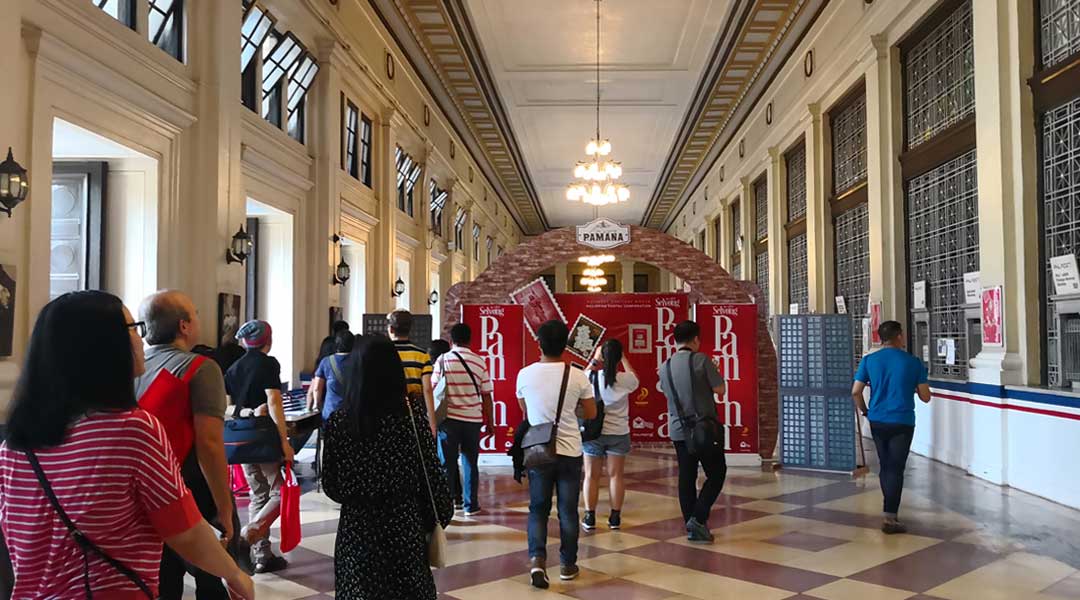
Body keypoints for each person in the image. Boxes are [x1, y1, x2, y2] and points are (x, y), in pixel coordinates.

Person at [0, 290, 254, 599]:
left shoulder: (15, 443)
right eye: (134, 329)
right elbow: (185, 530)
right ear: (105, 347)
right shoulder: (132, 430)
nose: (140, 338)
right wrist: (234, 572)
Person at [321, 335, 453, 599]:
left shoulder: (340, 422)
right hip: (403, 524)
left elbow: (332, 485)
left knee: (360, 591)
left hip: (357, 529)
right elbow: (432, 475)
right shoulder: (411, 421)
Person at [134, 290, 237, 599]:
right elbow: (209, 443)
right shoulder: (201, 368)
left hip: (146, 489)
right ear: (184, 326)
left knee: (164, 578)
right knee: (214, 576)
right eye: (195, 313)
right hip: (189, 487)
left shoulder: (133, 369)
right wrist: (225, 507)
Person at [516, 320, 597, 589]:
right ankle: (567, 564)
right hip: (570, 451)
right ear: (566, 345)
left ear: (539, 343)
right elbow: (591, 413)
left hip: (538, 450)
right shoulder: (577, 375)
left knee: (538, 509)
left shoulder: (525, 374)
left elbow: (526, 412)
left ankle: (537, 561)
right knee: (568, 511)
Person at [224, 319, 292, 573]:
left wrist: (248, 411)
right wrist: (285, 442)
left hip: (241, 439)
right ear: (268, 340)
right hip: (264, 436)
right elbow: (274, 401)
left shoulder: (233, 369)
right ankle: (248, 535)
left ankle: (262, 556)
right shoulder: (269, 364)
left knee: (258, 493)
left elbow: (228, 408)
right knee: (280, 491)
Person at [851, 320, 932, 534]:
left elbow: (855, 392)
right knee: (896, 468)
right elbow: (925, 397)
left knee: (885, 465)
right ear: (899, 336)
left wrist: (866, 411)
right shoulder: (913, 363)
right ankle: (890, 516)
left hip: (877, 420)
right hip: (902, 421)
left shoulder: (869, 361)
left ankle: (889, 509)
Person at [658, 320, 726, 544]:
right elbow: (720, 389)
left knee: (686, 477)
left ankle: (691, 525)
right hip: (703, 429)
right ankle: (698, 518)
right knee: (716, 473)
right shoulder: (701, 360)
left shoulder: (664, 366)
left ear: (675, 341)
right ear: (696, 339)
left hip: (678, 430)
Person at [432, 324, 495, 517]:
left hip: (448, 420)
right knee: (470, 463)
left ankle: (448, 503)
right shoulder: (479, 361)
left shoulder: (442, 360)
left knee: (447, 463)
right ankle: (471, 505)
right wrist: (490, 421)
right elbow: (486, 395)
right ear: (470, 339)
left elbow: (433, 388)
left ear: (451, 340)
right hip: (472, 421)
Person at [582, 339, 639, 532]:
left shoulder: (590, 376)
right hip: (619, 433)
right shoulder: (625, 379)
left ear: (603, 357)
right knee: (616, 476)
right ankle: (615, 517)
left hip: (593, 433)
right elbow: (635, 378)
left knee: (591, 476)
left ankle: (590, 516)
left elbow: (582, 376)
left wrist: (595, 359)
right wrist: (622, 356)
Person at [388, 310, 437, 435]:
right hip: (414, 410)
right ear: (410, 329)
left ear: (391, 329)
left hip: (389, 409)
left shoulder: (383, 353)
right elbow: (427, 389)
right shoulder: (422, 355)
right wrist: (432, 421)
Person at [307, 329, 356, 420]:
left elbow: (317, 388)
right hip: (353, 412)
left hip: (331, 412)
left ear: (336, 344)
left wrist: (316, 405)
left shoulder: (326, 362)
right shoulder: (358, 361)